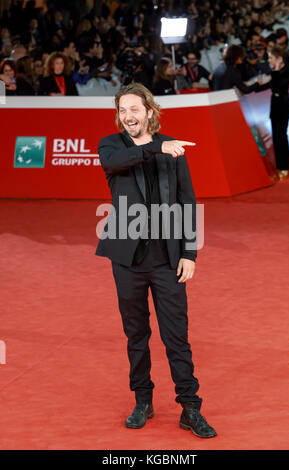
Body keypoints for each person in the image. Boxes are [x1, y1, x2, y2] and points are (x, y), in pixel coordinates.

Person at [95, 83, 217, 439]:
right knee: (136, 333)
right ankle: (143, 401)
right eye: (122, 110)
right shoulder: (112, 145)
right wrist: (154, 147)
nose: (128, 116)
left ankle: (190, 407)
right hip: (126, 260)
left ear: (149, 111)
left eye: (134, 109)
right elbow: (116, 163)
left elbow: (187, 203)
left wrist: (190, 253)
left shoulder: (172, 149)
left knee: (177, 335)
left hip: (167, 259)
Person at [256, 45, 289, 180]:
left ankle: (285, 167)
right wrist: (254, 88)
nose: (269, 60)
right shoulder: (277, 73)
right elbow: (270, 85)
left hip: (283, 108)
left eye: (271, 58)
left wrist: (276, 69)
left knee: (282, 137)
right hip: (275, 108)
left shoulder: (286, 72)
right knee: (277, 138)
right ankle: (280, 167)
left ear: (279, 59)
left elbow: (279, 87)